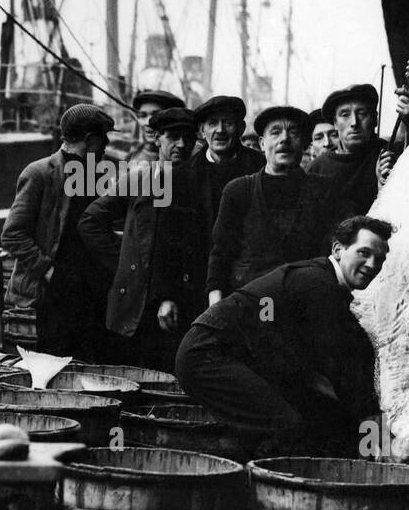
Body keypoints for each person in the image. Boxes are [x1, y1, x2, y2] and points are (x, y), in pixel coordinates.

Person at [174, 215, 390, 456]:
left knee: (311, 419)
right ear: (338, 250)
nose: (372, 264)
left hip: (230, 355)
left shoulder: (324, 281)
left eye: (379, 259)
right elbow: (339, 364)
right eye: (364, 253)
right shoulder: (317, 283)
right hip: (207, 356)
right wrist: (369, 419)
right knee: (286, 425)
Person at [78, 107, 197, 369]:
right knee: (128, 373)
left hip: (180, 304)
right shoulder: (139, 178)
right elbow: (91, 221)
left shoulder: (199, 185)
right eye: (174, 136)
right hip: (134, 305)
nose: (182, 144)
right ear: (157, 138)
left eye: (189, 137)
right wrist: (123, 261)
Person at [1, 102, 115, 360]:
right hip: (53, 295)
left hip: (93, 292)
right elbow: (12, 234)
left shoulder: (99, 175)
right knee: (54, 363)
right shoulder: (40, 173)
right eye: (102, 138)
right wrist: (49, 270)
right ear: (88, 139)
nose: (106, 144)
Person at [206, 105, 344, 298]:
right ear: (262, 143)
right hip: (255, 303)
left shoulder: (324, 191)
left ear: (304, 144)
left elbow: (342, 248)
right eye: (275, 132)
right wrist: (215, 300)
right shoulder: (239, 191)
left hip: (307, 302)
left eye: (293, 133)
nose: (284, 139)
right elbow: (221, 253)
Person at [152, 95, 264, 328]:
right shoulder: (181, 177)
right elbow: (166, 241)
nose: (220, 130)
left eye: (228, 122)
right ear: (202, 131)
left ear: (242, 128)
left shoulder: (261, 169)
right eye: (213, 123)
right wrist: (166, 296)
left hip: (248, 287)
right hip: (192, 288)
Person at [306, 83, 388, 211]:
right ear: (335, 123)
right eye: (345, 115)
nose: (354, 122)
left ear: (374, 119)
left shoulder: (388, 154)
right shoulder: (317, 168)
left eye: (362, 113)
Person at [128, 89, 185, 164]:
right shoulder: (134, 154)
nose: (148, 122)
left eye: (156, 115)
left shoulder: (185, 160)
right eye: (143, 115)